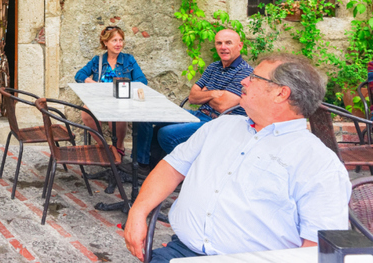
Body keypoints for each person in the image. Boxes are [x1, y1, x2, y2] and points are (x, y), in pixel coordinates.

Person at [124, 53, 351, 262]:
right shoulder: (220, 126)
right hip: (180, 252)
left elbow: (318, 248)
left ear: (281, 93)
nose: (244, 81)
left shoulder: (319, 163)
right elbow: (172, 167)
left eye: (253, 77)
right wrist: (138, 212)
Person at [153, 29, 252, 156]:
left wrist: (204, 93)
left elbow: (223, 105)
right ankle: (145, 165)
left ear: (240, 46)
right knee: (157, 119)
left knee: (166, 134)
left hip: (218, 123)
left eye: (228, 43)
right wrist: (213, 93)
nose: (223, 47)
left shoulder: (245, 72)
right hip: (199, 114)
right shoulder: (213, 67)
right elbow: (193, 97)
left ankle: (186, 169)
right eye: (219, 43)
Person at [74, 26, 148, 163]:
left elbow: (142, 80)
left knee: (118, 114)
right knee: (86, 111)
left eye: (121, 40)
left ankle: (119, 148)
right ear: (105, 43)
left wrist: (126, 86)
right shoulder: (98, 60)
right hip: (101, 99)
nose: (119, 44)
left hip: (121, 99)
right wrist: (92, 82)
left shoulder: (128, 60)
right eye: (114, 40)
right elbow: (79, 75)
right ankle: (104, 147)